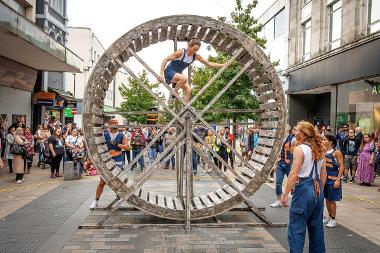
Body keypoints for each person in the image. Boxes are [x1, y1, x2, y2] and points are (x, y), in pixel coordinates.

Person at [281, 121, 327, 253]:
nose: (294, 132)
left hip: (303, 189)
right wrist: (319, 191)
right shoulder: (320, 149)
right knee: (317, 229)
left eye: (296, 130)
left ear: (302, 134)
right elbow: (323, 173)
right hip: (317, 189)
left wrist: (285, 193)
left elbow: (294, 174)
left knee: (297, 230)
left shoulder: (299, 150)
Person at [158, 37, 226, 103]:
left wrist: (223, 65)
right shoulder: (181, 52)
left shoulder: (196, 56)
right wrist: (161, 74)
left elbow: (209, 64)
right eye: (194, 49)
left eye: (197, 50)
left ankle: (184, 109)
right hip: (169, 71)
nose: (195, 51)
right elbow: (165, 59)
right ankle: (173, 94)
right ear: (190, 46)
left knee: (189, 89)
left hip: (178, 74)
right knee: (184, 78)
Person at [90, 119, 129, 209]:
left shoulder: (122, 135)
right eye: (114, 123)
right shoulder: (104, 135)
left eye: (117, 123)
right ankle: (95, 201)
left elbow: (127, 147)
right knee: (102, 182)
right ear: (109, 125)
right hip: (106, 161)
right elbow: (98, 147)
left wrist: (117, 144)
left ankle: (119, 199)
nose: (116, 124)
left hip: (118, 160)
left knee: (118, 181)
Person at [322, 133, 344, 228]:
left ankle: (333, 219)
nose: (323, 141)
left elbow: (342, 166)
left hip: (333, 179)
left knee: (332, 200)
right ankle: (329, 216)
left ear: (331, 142)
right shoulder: (323, 151)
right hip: (324, 179)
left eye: (325, 139)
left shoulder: (336, 152)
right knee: (326, 199)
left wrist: (338, 180)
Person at [270, 125, 295, 208]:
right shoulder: (280, 139)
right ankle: (278, 201)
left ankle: (295, 201)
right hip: (280, 163)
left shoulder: (292, 139)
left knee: (293, 183)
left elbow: (296, 152)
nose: (281, 129)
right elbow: (277, 152)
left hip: (289, 164)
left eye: (283, 128)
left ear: (288, 129)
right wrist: (275, 164)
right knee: (278, 183)